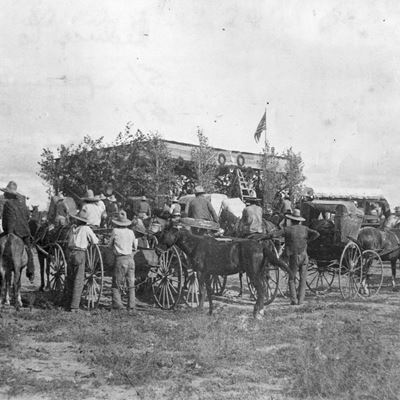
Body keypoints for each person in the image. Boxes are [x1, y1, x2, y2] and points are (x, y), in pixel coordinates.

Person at [279, 209, 319, 306]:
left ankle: (294, 300)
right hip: (304, 256)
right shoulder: (305, 229)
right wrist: (307, 241)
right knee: (303, 278)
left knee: (292, 278)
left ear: (291, 220)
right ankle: (300, 300)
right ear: (300, 221)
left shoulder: (288, 229)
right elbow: (317, 234)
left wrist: (266, 236)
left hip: (294, 257)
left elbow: (274, 234)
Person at [65, 208, 99, 312]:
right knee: (79, 280)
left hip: (70, 253)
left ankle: (67, 302)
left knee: (70, 278)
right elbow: (95, 241)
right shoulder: (86, 229)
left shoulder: (72, 228)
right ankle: (74, 306)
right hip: (80, 254)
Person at [1, 181, 35, 283]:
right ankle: (30, 272)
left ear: (8, 194)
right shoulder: (23, 204)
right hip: (24, 232)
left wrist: (7, 230)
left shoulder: (7, 204)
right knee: (29, 251)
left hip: (12, 231)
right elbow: (27, 216)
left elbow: (5, 221)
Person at [109, 210, 137, 310]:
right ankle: (131, 305)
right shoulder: (131, 232)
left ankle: (117, 305)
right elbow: (135, 246)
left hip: (120, 259)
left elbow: (109, 244)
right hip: (130, 259)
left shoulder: (115, 231)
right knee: (131, 284)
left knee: (116, 284)